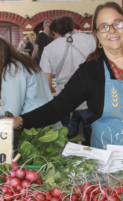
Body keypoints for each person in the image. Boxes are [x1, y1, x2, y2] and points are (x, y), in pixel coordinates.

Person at [9, 2, 123, 163]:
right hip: (108, 172)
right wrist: (21, 120)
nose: (112, 30)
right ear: (97, 36)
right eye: (104, 26)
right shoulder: (89, 71)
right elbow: (57, 108)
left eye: (117, 23)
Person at [40, 16, 95, 144]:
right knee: (92, 141)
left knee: (68, 143)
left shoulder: (49, 49)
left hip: (65, 103)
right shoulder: (91, 39)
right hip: (90, 99)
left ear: (54, 32)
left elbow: (46, 83)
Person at [0, 37, 53, 119]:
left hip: (34, 122)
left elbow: (12, 113)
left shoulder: (13, 68)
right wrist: (4, 93)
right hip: (45, 117)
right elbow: (27, 94)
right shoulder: (26, 62)